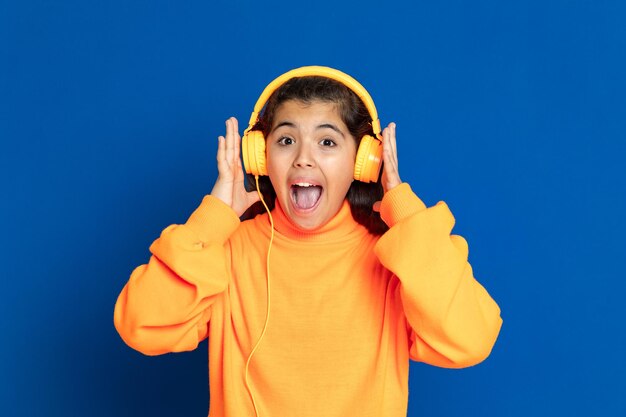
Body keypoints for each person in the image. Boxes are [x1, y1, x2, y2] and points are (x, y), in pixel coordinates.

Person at [114, 66, 502, 417]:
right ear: (261, 157)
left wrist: (404, 211)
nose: (303, 159)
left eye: (327, 142)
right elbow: (142, 325)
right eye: (286, 141)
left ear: (363, 162)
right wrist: (214, 216)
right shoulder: (228, 250)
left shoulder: (394, 260)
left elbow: (470, 340)